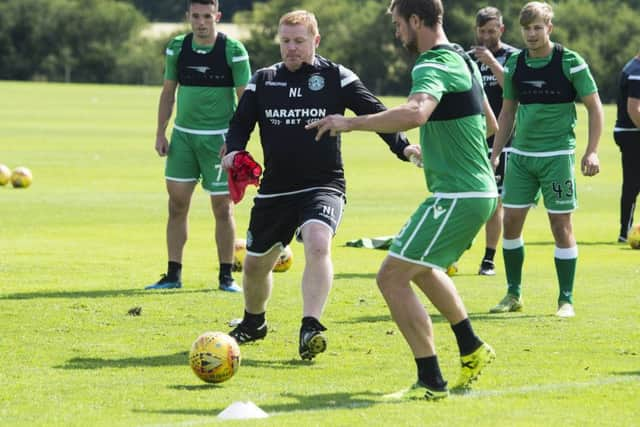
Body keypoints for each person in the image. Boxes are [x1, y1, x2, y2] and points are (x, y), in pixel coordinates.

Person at [307, 0, 498, 400]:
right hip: (468, 191)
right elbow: (490, 125)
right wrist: (443, 151)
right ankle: (471, 347)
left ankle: (431, 381)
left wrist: (351, 122)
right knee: (423, 270)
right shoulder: (462, 58)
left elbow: (414, 113)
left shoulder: (432, 63)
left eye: (398, 24)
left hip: (458, 195)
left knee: (391, 277)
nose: (397, 32)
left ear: (416, 21)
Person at [221, 10, 413, 360]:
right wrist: (233, 153)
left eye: (299, 41)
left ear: (316, 41)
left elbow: (376, 112)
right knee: (253, 266)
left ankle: (311, 326)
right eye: (285, 41)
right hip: (276, 189)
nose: (291, 48)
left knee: (317, 241)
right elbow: (239, 126)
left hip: (323, 184)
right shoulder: (263, 80)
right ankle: (253, 323)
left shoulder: (336, 77)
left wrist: (404, 147)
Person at [488, 2, 603, 317]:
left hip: (558, 157)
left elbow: (595, 107)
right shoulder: (515, 63)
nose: (532, 34)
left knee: (560, 224)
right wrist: (496, 153)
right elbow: (508, 110)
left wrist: (591, 150)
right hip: (522, 156)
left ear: (549, 28)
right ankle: (513, 294)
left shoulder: (570, 62)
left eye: (538, 27)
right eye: (527, 29)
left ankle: (566, 299)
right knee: (510, 222)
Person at [145, 0, 251, 292]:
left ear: (217, 16)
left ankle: (226, 277)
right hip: (183, 138)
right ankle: (172, 275)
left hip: (219, 140)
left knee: (222, 208)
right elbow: (168, 93)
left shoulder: (233, 51)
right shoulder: (177, 48)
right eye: (196, 16)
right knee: (176, 204)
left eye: (207, 16)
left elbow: (246, 100)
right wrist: (160, 133)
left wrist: (235, 143)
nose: (201, 22)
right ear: (188, 17)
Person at [469, 7, 519, 276]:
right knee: (466, 196)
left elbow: (514, 90)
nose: (487, 36)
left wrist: (491, 63)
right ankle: (455, 249)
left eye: (492, 31)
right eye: (482, 31)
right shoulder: (466, 59)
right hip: (471, 140)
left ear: (501, 29)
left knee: (495, 200)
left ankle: (488, 258)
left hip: (503, 140)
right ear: (476, 30)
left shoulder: (512, 57)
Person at [614, 51, 640, 243]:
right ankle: (625, 232)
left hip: (628, 132)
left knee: (632, 183)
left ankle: (625, 231)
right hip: (633, 134)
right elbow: (634, 109)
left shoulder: (633, 66)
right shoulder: (637, 71)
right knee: (632, 184)